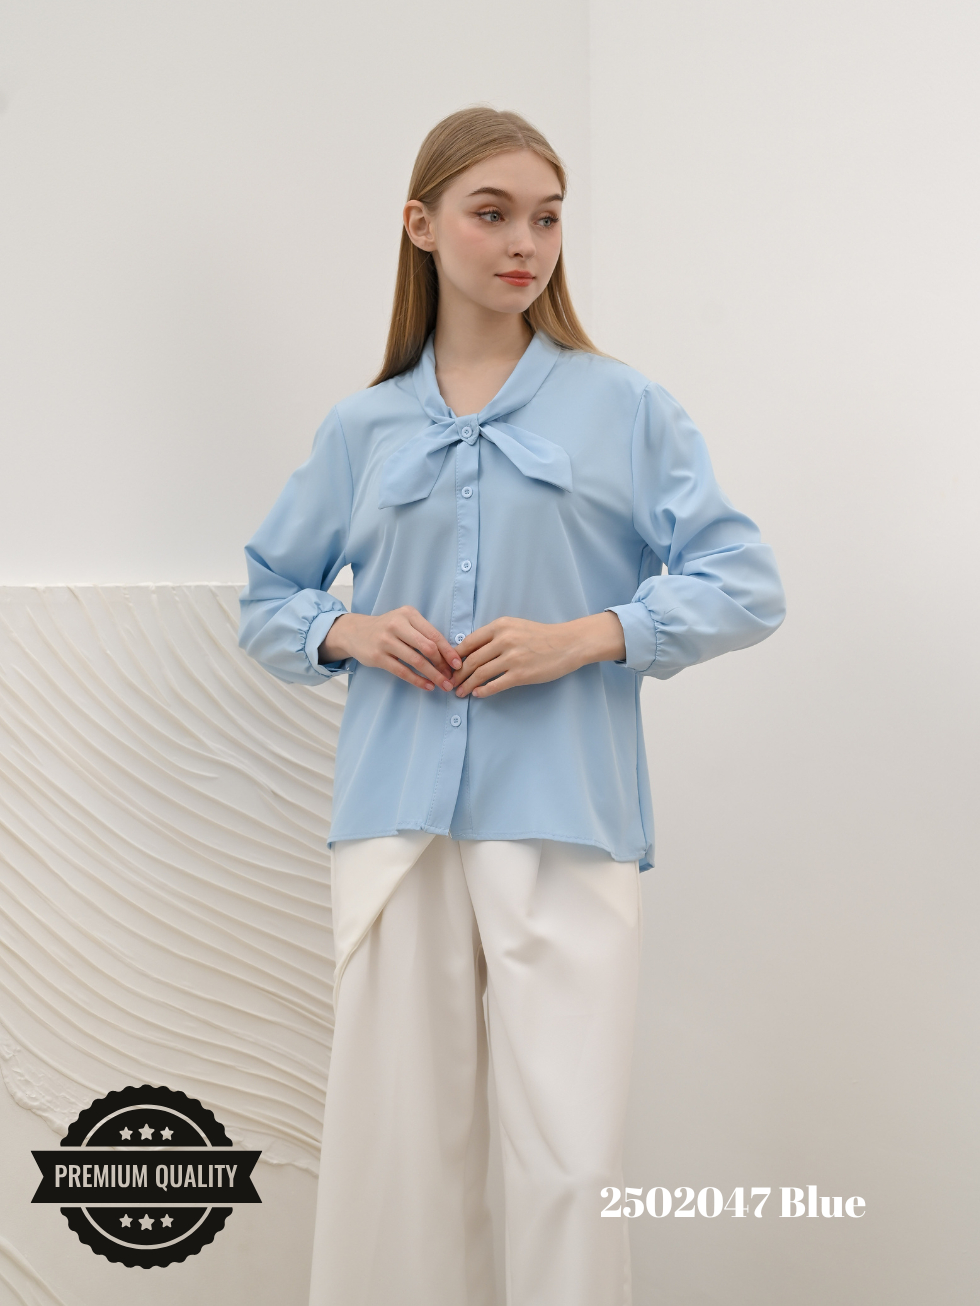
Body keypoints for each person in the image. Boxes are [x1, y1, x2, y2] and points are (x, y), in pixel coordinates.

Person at [238, 106, 785, 1306]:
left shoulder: (624, 407)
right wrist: (347, 629)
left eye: (545, 217)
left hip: (564, 813)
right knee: (397, 1159)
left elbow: (744, 583)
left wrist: (586, 635)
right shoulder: (361, 427)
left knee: (569, 1163)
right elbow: (266, 595)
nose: (523, 243)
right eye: (491, 214)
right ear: (421, 225)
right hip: (394, 818)